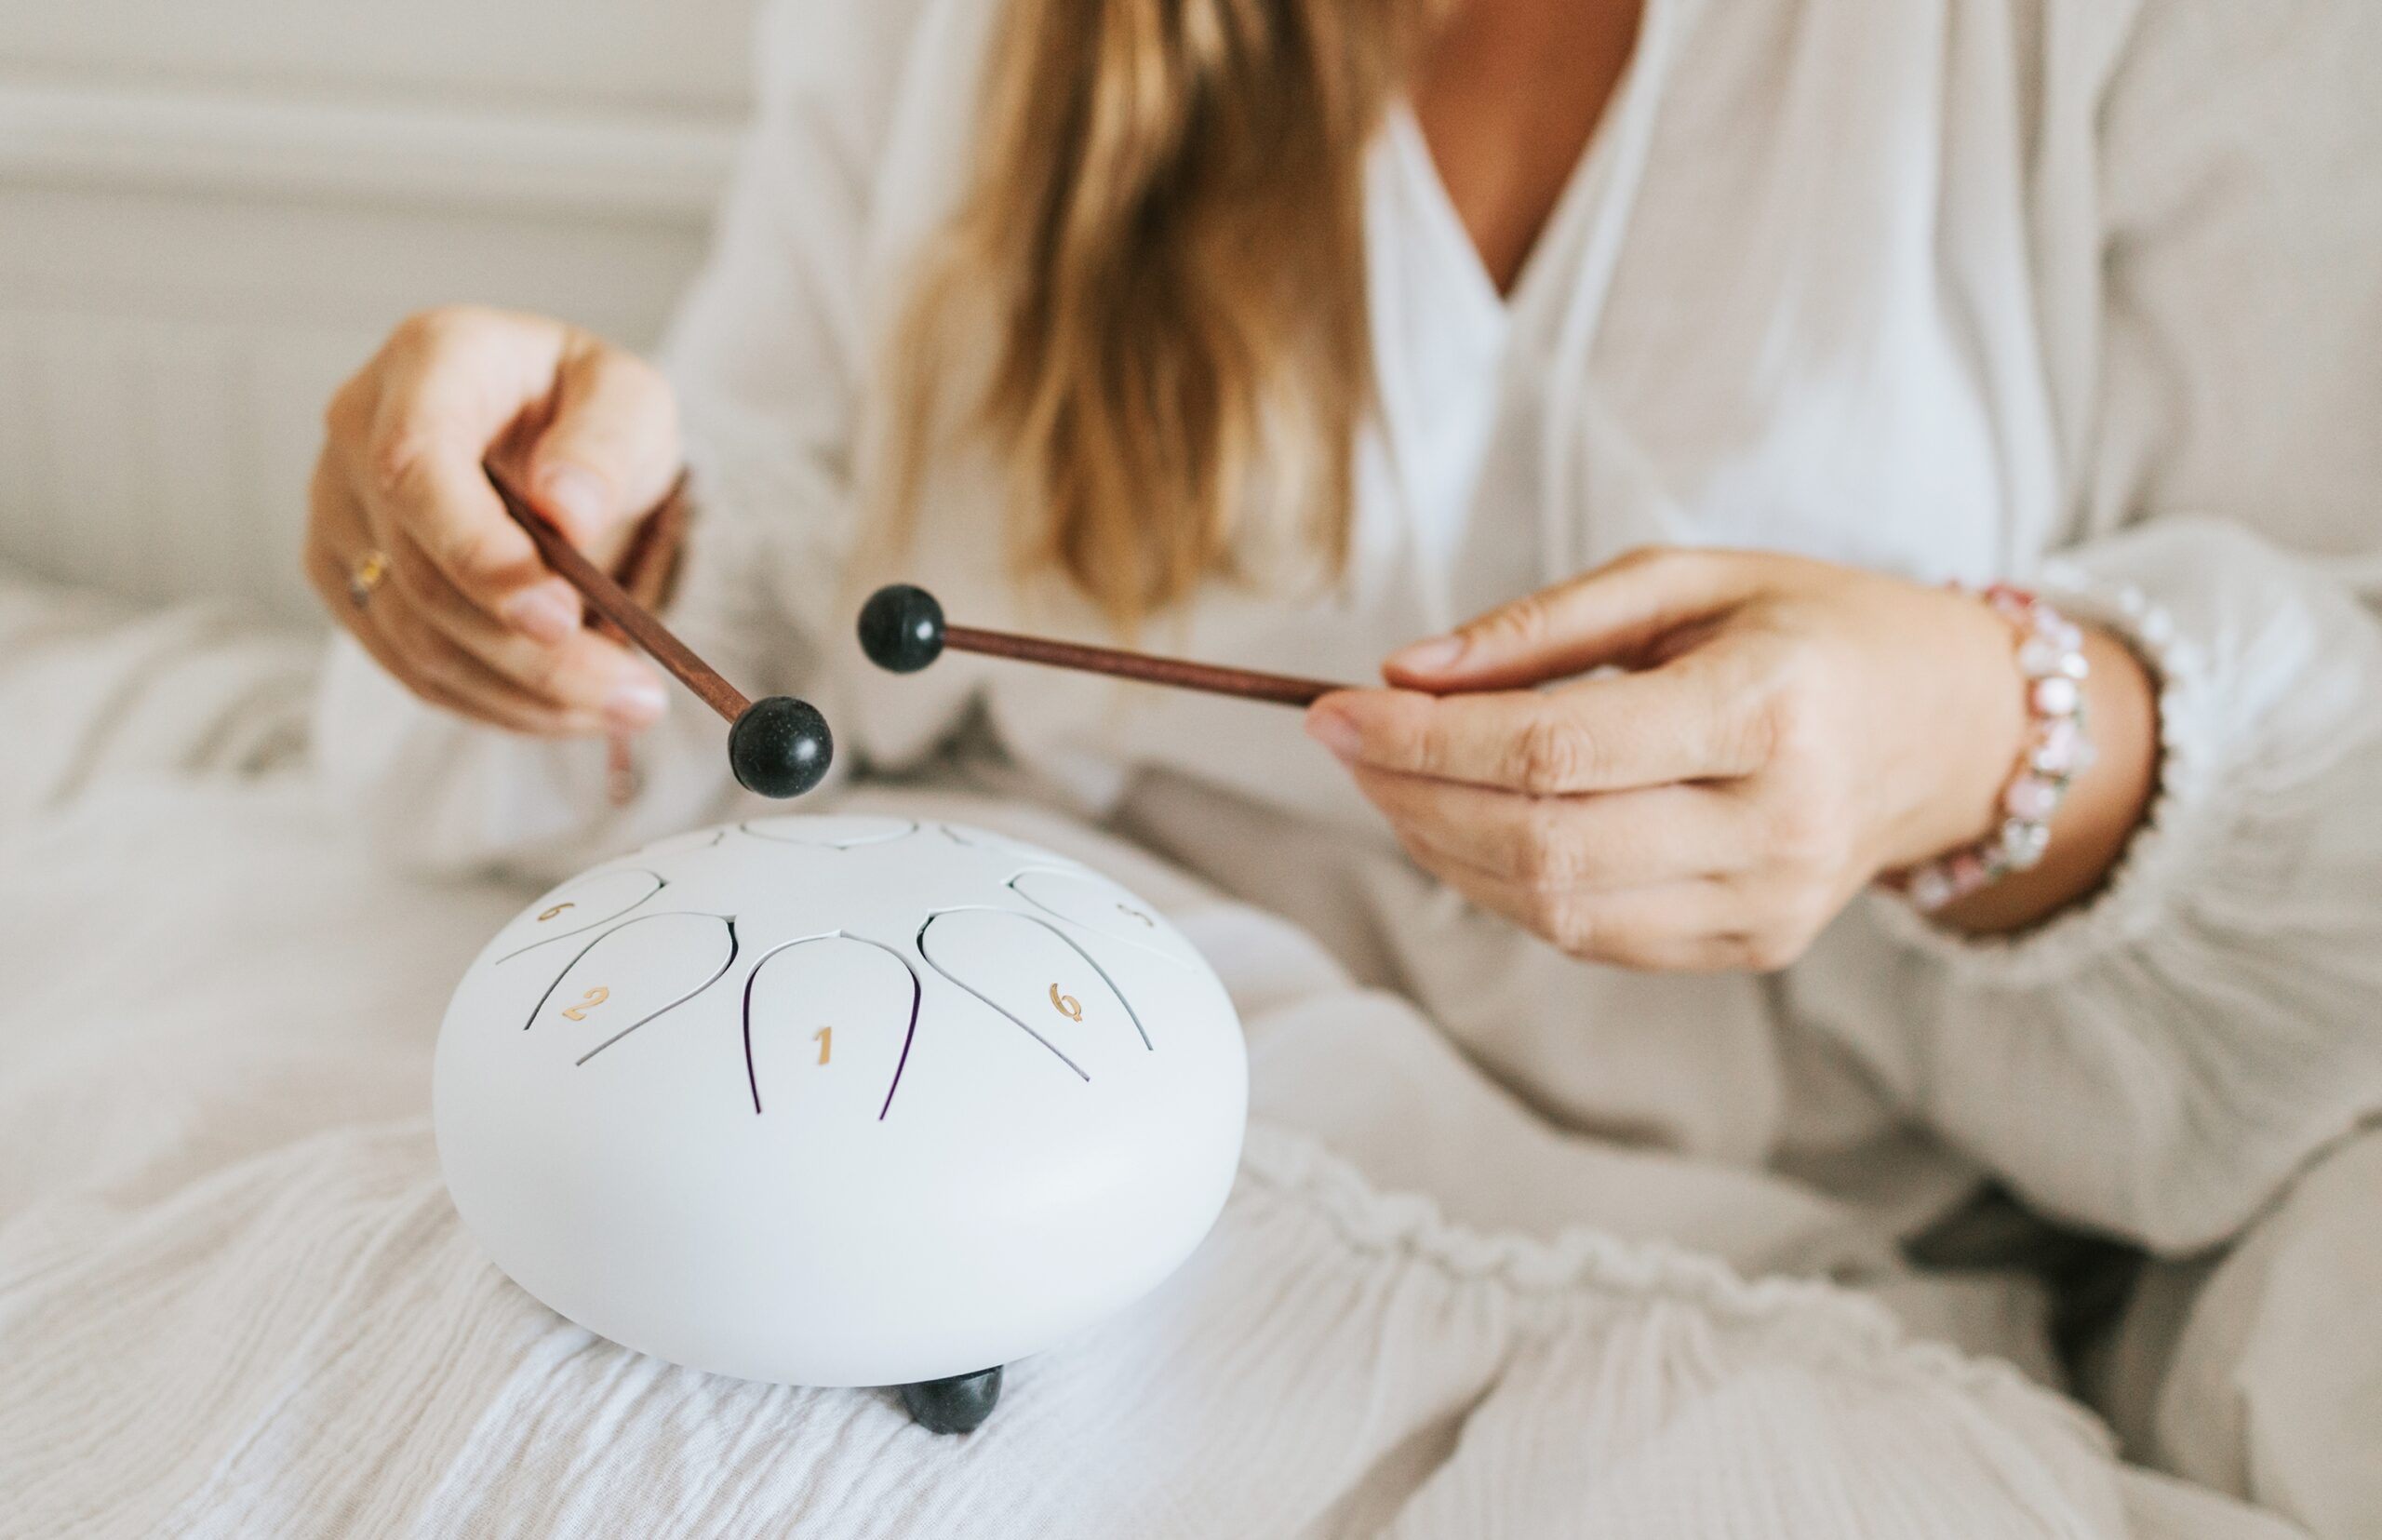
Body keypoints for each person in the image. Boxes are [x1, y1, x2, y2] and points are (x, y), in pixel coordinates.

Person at [305, 0, 2382, 1530]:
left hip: (1772, 1280)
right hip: (1020, 1164)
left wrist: (1980, 736)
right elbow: (779, 575)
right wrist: (572, 538)